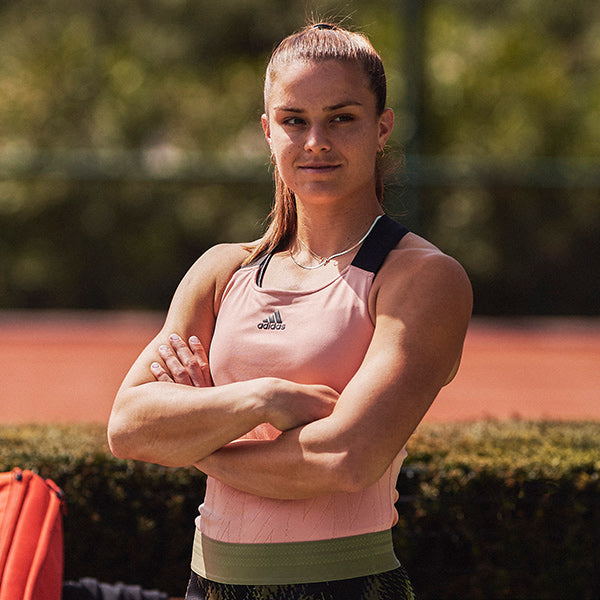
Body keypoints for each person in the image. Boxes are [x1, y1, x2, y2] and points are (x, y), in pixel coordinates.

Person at [108, 21, 472, 600]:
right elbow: (128, 427)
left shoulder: (423, 278)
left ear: (382, 128)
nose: (316, 141)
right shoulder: (221, 271)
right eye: (294, 120)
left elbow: (345, 458)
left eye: (342, 118)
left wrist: (190, 441)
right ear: (267, 131)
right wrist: (262, 399)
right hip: (206, 586)